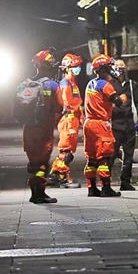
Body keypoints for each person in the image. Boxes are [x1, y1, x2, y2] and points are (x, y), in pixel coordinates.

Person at [22, 49, 62, 204]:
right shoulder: (52, 85)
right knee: (42, 162)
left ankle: (34, 193)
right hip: (44, 130)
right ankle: (40, 193)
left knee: (32, 163)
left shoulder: (26, 84)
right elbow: (59, 107)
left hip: (28, 129)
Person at [83, 54, 124, 197]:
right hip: (100, 125)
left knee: (91, 158)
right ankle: (106, 188)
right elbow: (117, 101)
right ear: (105, 68)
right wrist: (122, 98)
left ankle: (91, 188)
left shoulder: (90, 84)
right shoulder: (105, 85)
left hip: (88, 123)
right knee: (104, 158)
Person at [110, 56, 138, 192]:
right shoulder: (110, 85)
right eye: (117, 68)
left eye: (122, 68)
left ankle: (125, 182)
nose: (120, 70)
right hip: (115, 126)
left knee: (129, 156)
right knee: (111, 155)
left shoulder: (131, 85)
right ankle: (106, 182)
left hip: (129, 125)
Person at [50, 53, 83, 188]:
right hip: (68, 119)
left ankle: (54, 174)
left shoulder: (72, 83)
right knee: (66, 152)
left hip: (72, 119)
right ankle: (64, 178)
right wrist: (71, 122)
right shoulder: (65, 84)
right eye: (75, 66)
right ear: (67, 68)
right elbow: (65, 104)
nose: (78, 69)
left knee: (68, 151)